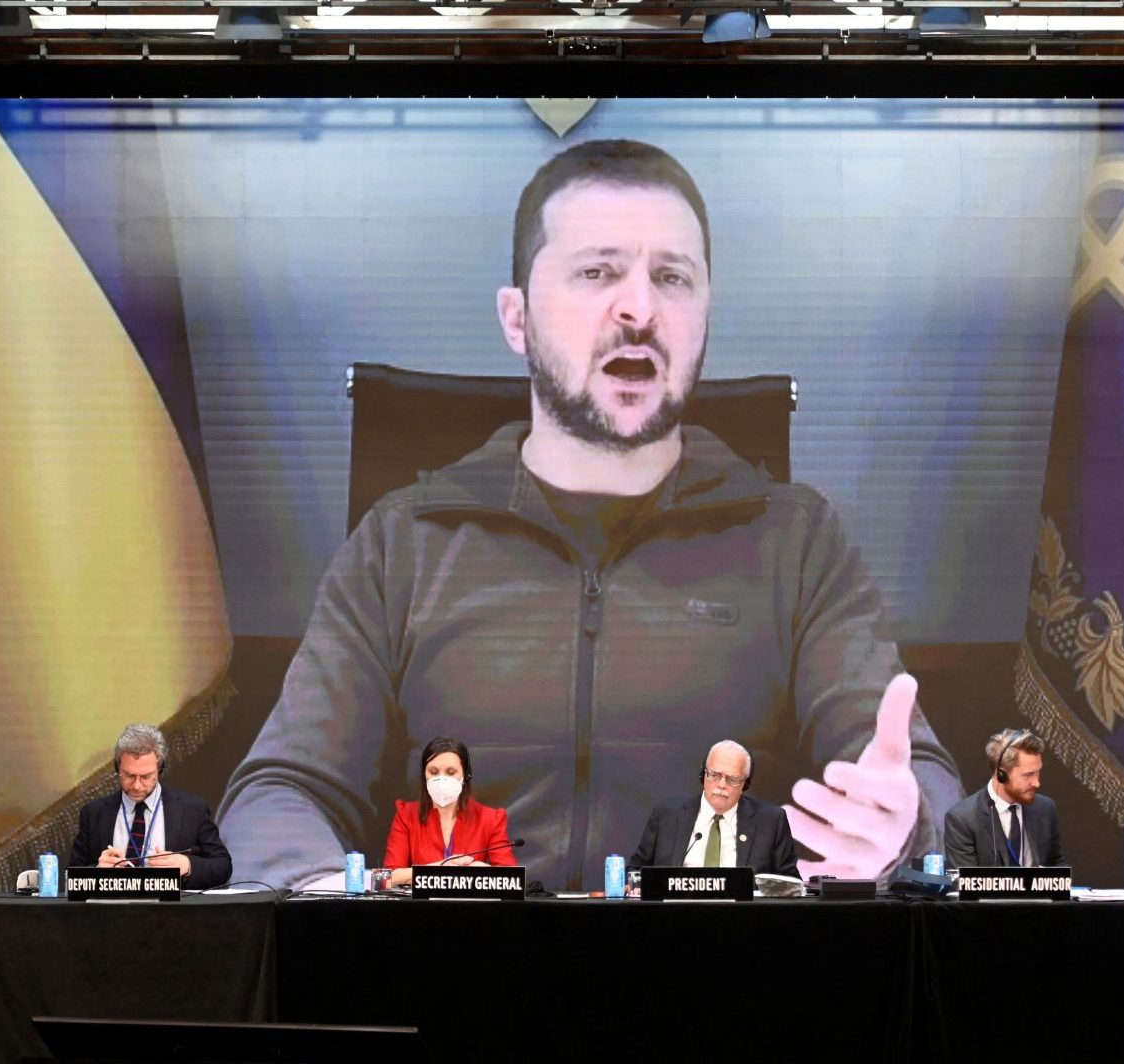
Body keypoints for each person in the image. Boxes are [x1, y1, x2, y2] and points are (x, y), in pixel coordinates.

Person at [219, 138, 960, 892]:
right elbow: (278, 791)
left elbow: (915, 779)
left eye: (673, 278)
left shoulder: (799, 543)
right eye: (597, 272)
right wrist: (325, 896)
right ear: (517, 319)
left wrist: (907, 827)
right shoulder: (402, 544)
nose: (639, 308)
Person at [69, 723, 233, 890]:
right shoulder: (94, 813)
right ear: (117, 768)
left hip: (173, 913)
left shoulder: (191, 810)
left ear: (160, 769)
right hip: (112, 913)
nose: (137, 786)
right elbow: (71, 876)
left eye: (146, 777)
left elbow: (223, 866)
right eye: (129, 776)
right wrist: (97, 871)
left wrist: (187, 866)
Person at [629, 740, 798, 876]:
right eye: (715, 775)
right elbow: (635, 871)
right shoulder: (667, 815)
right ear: (703, 776)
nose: (721, 785)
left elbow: (790, 885)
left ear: (744, 785)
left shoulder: (770, 821)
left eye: (732, 779)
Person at [383, 737, 519, 886]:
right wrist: (441, 867)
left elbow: (511, 879)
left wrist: (477, 869)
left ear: (465, 776)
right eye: (433, 772)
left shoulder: (490, 818)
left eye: (450, 772)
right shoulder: (406, 814)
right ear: (424, 775)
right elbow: (387, 879)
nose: (442, 779)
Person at [941, 728, 1064, 869]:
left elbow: (1057, 864)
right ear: (1001, 774)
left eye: (1037, 773)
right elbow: (966, 883)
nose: (1037, 783)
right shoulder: (962, 819)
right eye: (1028, 775)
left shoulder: (1045, 808)